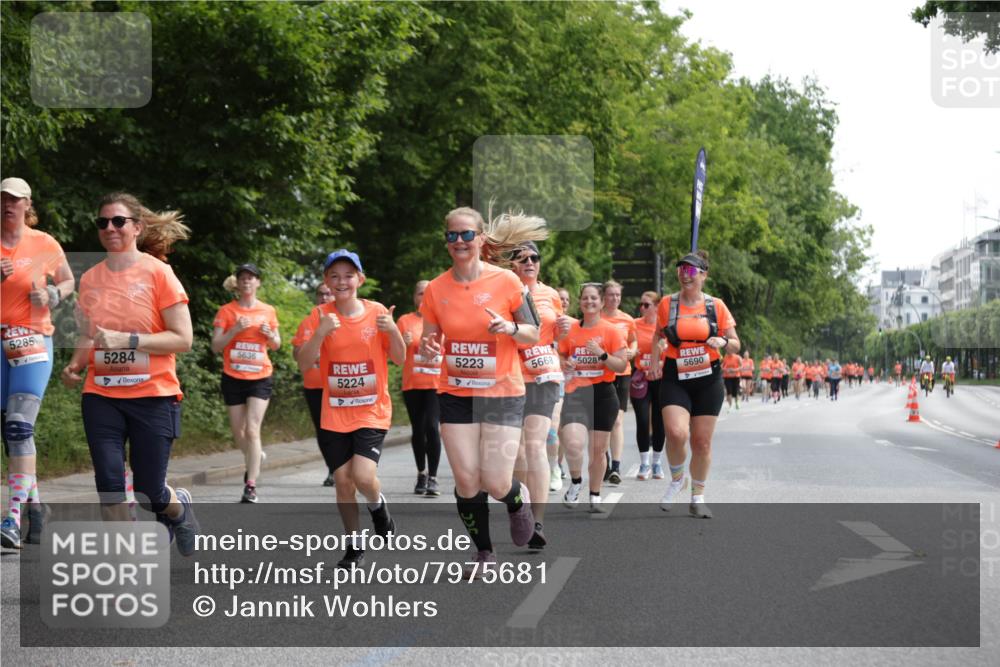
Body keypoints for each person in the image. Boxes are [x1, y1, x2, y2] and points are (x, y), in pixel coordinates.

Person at [61, 192, 198, 554]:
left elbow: (183, 339)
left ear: (136, 227)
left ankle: (178, 509)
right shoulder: (89, 279)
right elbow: (90, 335)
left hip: (153, 395)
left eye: (118, 221)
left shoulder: (158, 272)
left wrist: (130, 339)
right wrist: (76, 364)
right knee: (108, 484)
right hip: (102, 394)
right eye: (102, 222)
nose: (110, 228)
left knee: (149, 491)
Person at [418, 206, 543, 576]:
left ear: (481, 238)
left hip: (502, 391)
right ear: (446, 242)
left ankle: (516, 500)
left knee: (495, 480)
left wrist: (509, 328)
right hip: (455, 393)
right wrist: (428, 348)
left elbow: (533, 332)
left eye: (466, 234)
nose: (459, 241)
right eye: (452, 235)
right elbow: (429, 339)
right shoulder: (436, 289)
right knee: (467, 480)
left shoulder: (507, 282)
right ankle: (483, 551)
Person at [297, 249, 405, 569]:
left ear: (360, 278)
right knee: (343, 481)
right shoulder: (319, 316)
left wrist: (393, 330)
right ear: (326, 281)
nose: (341, 281)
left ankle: (377, 505)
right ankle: (354, 545)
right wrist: (320, 334)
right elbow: (304, 363)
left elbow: (399, 358)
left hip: (372, 409)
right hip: (335, 412)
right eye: (334, 276)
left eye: (348, 275)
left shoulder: (377, 312)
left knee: (362, 475)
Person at [0, 178, 75, 549]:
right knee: (8, 431)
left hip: (32, 338)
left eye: (15, 200)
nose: (8, 206)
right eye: (3, 199)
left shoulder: (44, 243)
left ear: (28, 204)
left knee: (18, 426)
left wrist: (52, 293)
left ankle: (11, 517)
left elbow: (68, 281)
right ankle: (35, 507)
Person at [649, 250, 738, 519]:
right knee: (676, 433)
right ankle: (678, 478)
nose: (684, 275)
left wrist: (722, 342)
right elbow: (657, 336)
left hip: (708, 378)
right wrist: (655, 360)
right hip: (676, 375)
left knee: (701, 443)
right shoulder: (667, 304)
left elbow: (735, 342)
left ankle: (697, 496)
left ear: (703, 275)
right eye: (680, 270)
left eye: (690, 271)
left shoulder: (716, 306)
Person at [507, 241, 569, 548]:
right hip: (510, 376)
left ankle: (538, 521)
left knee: (535, 447)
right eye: (522, 258)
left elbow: (557, 334)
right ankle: (522, 510)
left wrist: (566, 330)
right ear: (513, 265)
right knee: (516, 452)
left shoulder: (551, 295)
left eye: (534, 257)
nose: (530, 262)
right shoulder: (503, 288)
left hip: (543, 375)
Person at [211, 263, 280, 504]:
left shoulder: (268, 311)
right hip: (233, 376)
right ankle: (255, 456)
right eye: (243, 278)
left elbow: (277, 344)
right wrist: (234, 331)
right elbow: (216, 346)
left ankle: (250, 485)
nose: (247, 282)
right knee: (239, 432)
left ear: (258, 282)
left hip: (260, 377)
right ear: (237, 283)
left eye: (251, 278)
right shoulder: (226, 312)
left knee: (252, 429)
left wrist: (270, 335)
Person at [558, 283, 628, 511]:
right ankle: (576, 481)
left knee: (598, 451)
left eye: (594, 298)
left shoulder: (612, 331)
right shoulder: (571, 330)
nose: (589, 302)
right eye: (585, 298)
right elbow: (560, 354)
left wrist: (602, 354)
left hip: (604, 394)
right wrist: (565, 363)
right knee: (573, 443)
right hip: (576, 392)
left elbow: (621, 365)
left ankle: (595, 495)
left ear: (601, 302)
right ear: (580, 302)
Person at [395, 280, 444, 496]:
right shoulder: (405, 320)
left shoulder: (443, 320)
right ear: (414, 297)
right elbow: (395, 355)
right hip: (413, 383)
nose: (423, 297)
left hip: (436, 384)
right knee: (418, 430)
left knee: (432, 428)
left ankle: (433, 478)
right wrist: (403, 343)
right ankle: (421, 473)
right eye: (419, 293)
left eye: (427, 293)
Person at [292, 283, 337, 486]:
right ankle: (332, 469)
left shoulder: (341, 320)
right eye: (320, 293)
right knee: (322, 430)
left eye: (328, 293)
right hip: (313, 386)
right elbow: (296, 354)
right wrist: (310, 350)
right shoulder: (308, 322)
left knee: (338, 430)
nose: (324, 297)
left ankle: (343, 468)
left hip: (337, 387)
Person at [599, 280, 637, 485]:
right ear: (604, 296)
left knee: (617, 421)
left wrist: (633, 350)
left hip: (622, 373)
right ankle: (602, 460)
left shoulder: (627, 319)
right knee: (601, 422)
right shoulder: (596, 317)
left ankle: (615, 467)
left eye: (617, 295)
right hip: (600, 374)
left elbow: (633, 340)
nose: (614, 298)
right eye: (611, 294)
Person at [632, 291, 666, 479]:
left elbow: (672, 353)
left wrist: (662, 358)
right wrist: (631, 350)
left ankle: (657, 463)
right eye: (641, 304)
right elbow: (626, 344)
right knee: (643, 421)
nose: (642, 308)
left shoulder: (664, 327)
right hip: (640, 378)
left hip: (661, 378)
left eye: (646, 305)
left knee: (659, 421)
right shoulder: (634, 325)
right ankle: (644, 464)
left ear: (656, 307)